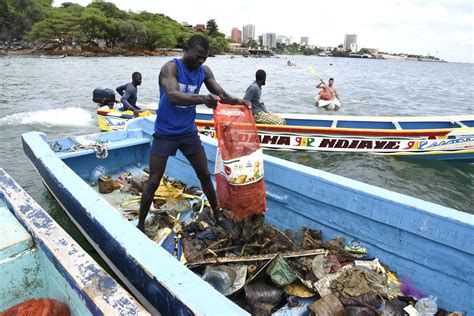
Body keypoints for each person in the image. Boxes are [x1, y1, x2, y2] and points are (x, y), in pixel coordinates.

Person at [137, 35, 247, 232]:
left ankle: (217, 215)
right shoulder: (170, 68)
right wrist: (203, 98)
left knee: (204, 175)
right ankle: (140, 225)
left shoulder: (203, 71)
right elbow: (172, 96)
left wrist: (240, 101)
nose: (201, 61)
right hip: (165, 133)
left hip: (188, 133)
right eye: (197, 57)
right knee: (154, 180)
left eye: (204, 58)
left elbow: (222, 95)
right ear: (186, 50)